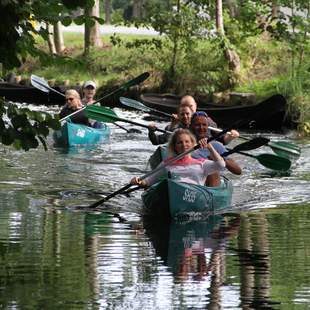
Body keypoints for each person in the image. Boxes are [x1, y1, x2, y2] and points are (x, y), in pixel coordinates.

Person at [131, 128, 226, 188]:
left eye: (187, 142)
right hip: (174, 191)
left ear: (192, 144)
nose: (184, 145)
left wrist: (210, 147)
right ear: (174, 146)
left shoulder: (202, 163)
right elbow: (148, 181)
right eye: (180, 142)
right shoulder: (167, 164)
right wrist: (138, 181)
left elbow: (221, 165)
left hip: (195, 194)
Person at [190, 111, 242, 186]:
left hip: (210, 184)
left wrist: (219, 158)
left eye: (204, 125)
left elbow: (238, 171)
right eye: (197, 125)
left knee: (212, 170)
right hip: (192, 181)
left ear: (208, 126)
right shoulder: (185, 144)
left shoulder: (216, 145)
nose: (201, 128)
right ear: (191, 126)